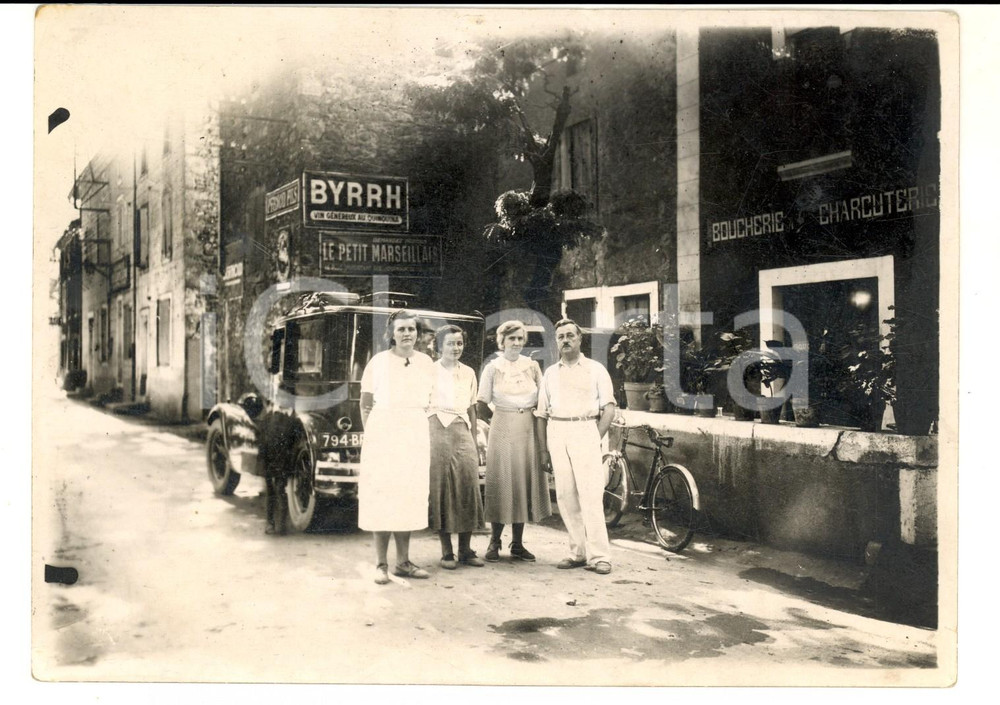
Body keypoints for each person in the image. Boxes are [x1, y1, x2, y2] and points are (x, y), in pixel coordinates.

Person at [535, 318, 617, 576]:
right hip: (557, 432)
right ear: (556, 342)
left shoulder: (595, 369)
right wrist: (544, 449)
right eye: (561, 337)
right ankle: (577, 552)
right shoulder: (550, 373)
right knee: (566, 496)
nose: (566, 340)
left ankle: (600, 556)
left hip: (586, 430)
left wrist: (595, 436)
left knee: (591, 495)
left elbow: (609, 408)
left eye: (570, 335)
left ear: (580, 339)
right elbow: (541, 414)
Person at [359, 309, 435, 585]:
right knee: (383, 496)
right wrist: (374, 438)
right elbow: (365, 403)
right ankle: (381, 564)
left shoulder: (427, 363)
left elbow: (430, 399)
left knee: (408, 496)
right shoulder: (378, 362)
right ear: (391, 333)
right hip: (384, 432)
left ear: (418, 333)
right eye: (401, 329)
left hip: (413, 431)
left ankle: (403, 562)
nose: (407, 334)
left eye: (411, 329)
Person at [477, 320, 551, 562]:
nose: (517, 343)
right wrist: (500, 421)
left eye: (520, 339)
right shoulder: (493, 368)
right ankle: (494, 541)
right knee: (502, 481)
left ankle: (517, 543)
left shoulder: (531, 367)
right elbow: (480, 404)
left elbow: (542, 400)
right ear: (502, 341)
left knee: (523, 481)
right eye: (512, 339)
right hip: (503, 427)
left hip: (528, 427)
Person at [427, 325, 486, 569]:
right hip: (436, 426)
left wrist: (473, 437)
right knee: (442, 486)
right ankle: (446, 551)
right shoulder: (429, 371)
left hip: (463, 428)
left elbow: (472, 408)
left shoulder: (469, 372)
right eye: (450, 343)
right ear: (439, 346)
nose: (455, 348)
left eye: (459, 343)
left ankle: (465, 549)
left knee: (467, 484)